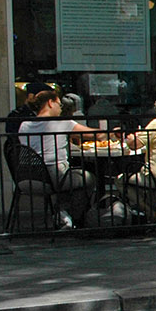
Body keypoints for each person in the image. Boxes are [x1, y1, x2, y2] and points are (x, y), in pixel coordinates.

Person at [16, 88, 99, 226]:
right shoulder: (63, 123)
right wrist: (115, 133)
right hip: (54, 175)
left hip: (26, 177)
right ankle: (72, 216)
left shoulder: (24, 125)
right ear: (50, 103)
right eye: (59, 105)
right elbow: (95, 134)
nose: (61, 109)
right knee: (89, 179)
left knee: (72, 179)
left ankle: (63, 214)